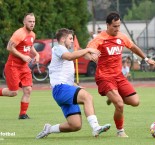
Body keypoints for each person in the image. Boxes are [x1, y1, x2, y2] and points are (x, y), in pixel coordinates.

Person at [85, 11, 155, 137]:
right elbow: (87, 51)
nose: (117, 29)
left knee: (135, 101)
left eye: (119, 26)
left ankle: (113, 97)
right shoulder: (100, 39)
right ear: (107, 25)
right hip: (104, 77)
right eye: (114, 26)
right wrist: (91, 55)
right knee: (120, 104)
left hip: (118, 76)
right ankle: (120, 131)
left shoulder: (121, 37)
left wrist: (146, 59)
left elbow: (133, 47)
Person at [36, 28, 111, 139]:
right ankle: (96, 127)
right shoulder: (58, 48)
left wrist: (76, 86)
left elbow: (70, 65)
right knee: (87, 97)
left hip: (63, 90)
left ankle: (49, 129)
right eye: (70, 38)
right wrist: (88, 49)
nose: (72, 41)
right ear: (62, 39)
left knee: (75, 125)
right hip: (61, 89)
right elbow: (70, 56)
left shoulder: (65, 51)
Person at [0, 13, 39, 119]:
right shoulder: (19, 33)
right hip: (13, 66)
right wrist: (22, 56)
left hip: (24, 67)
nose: (32, 23)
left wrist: (36, 54)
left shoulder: (33, 34)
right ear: (24, 22)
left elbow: (29, 47)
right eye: (30, 21)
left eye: (33, 21)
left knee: (28, 90)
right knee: (13, 92)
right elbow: (9, 47)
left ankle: (22, 114)